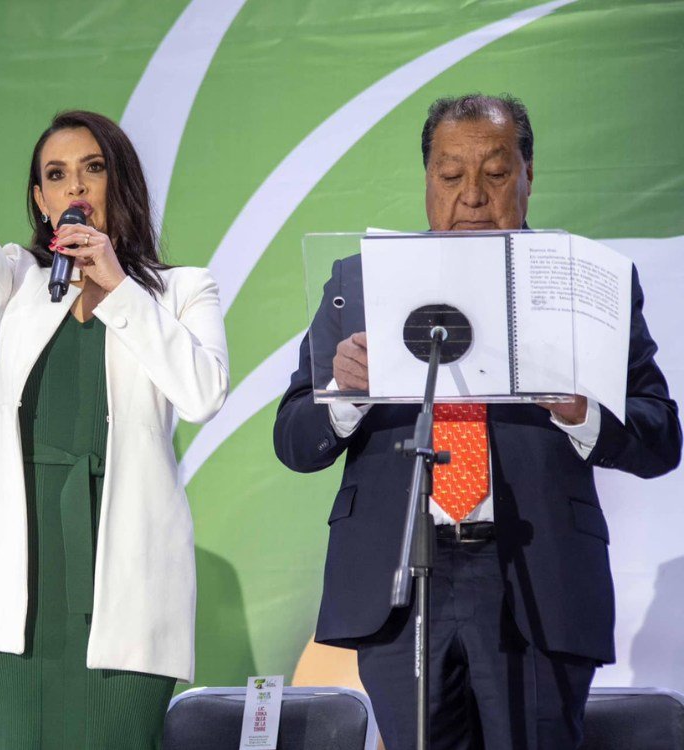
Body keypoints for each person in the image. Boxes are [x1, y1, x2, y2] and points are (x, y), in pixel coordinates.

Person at [274, 94, 681, 749]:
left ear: (527, 177)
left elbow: (661, 436)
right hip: (403, 581)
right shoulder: (360, 284)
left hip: (536, 577)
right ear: (426, 180)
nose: (472, 194)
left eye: (494, 173)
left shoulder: (583, 286)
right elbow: (294, 438)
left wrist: (582, 410)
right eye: (450, 174)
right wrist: (346, 395)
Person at [0, 108, 228, 749]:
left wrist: (116, 284)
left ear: (121, 182)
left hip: (125, 572)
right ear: (41, 200)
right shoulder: (21, 284)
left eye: (92, 169)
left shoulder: (180, 292)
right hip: (23, 570)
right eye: (56, 175)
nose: (76, 188)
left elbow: (202, 394)